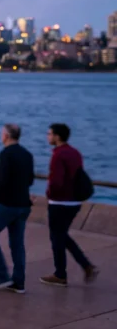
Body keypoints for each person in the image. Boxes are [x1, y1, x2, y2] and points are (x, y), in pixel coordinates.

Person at [41, 123, 100, 287]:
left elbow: (57, 181)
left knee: (57, 237)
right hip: (75, 202)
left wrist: (49, 194)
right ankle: (86, 266)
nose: (48, 137)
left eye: (50, 134)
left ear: (57, 136)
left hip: (60, 202)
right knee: (61, 235)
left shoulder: (58, 155)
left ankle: (61, 274)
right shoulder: (75, 153)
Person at [0, 124, 34, 293]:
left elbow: (1, 182)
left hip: (5, 205)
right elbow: (30, 180)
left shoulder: (5, 155)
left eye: (1, 133)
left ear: (5, 135)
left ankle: (2, 276)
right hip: (23, 205)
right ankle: (18, 282)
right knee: (17, 243)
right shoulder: (27, 154)